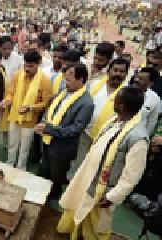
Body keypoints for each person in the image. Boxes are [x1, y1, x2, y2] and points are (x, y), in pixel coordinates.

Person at [57, 86, 148, 240]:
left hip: (104, 191)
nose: (112, 101)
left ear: (121, 106)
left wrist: (113, 196)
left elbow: (132, 175)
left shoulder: (138, 138)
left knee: (97, 227)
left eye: (116, 99)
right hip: (87, 180)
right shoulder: (114, 121)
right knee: (77, 211)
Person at [35, 63, 94, 199]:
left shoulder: (86, 103)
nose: (65, 83)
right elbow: (51, 111)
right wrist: (44, 123)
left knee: (55, 179)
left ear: (81, 80)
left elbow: (75, 130)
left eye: (69, 80)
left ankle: (51, 206)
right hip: (47, 141)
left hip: (62, 148)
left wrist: (49, 129)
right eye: (65, 79)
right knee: (44, 172)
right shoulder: (64, 93)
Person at [68, 58, 130, 180]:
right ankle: (70, 187)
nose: (118, 74)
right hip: (86, 133)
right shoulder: (95, 85)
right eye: (115, 70)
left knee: (96, 168)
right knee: (78, 163)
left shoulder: (127, 93)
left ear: (126, 74)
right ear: (109, 70)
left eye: (122, 71)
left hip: (107, 139)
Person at [1, 50, 51, 170]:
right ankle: (9, 164)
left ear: (39, 63)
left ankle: (20, 168)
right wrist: (7, 100)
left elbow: (45, 103)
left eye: (31, 66)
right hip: (14, 116)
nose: (27, 69)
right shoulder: (17, 75)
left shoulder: (45, 80)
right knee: (12, 144)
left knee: (24, 148)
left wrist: (30, 107)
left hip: (30, 120)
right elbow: (10, 93)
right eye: (26, 65)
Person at [133, 67, 161, 135]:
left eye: (141, 79)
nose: (136, 80)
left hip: (137, 136)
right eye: (137, 77)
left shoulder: (155, 99)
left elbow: (151, 123)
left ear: (151, 83)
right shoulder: (125, 91)